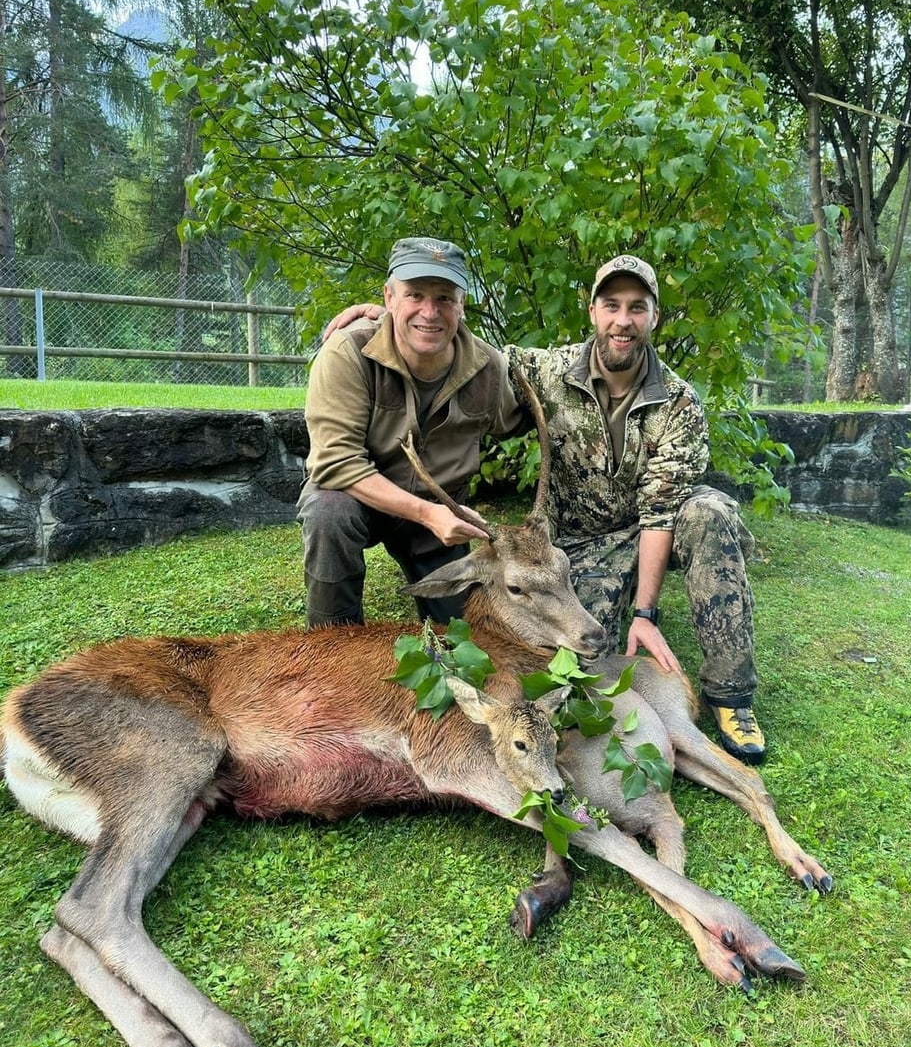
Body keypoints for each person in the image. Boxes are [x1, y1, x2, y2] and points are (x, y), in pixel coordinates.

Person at [323, 252, 766, 765]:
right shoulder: (544, 370)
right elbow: (452, 340)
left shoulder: (680, 403)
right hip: (570, 549)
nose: (623, 321)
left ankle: (731, 695)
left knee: (709, 509)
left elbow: (660, 512)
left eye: (637, 308)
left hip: (648, 529)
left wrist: (646, 612)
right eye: (612, 305)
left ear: (654, 317)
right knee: (579, 658)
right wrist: (391, 319)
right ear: (593, 311)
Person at [298, 236, 525, 629]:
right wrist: (428, 513)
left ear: (462, 304)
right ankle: (330, 641)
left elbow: (519, 418)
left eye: (444, 298)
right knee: (328, 510)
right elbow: (335, 463)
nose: (429, 312)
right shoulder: (347, 352)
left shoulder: (489, 367)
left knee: (465, 639)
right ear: (388, 297)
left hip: (440, 522)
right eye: (414, 294)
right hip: (359, 501)